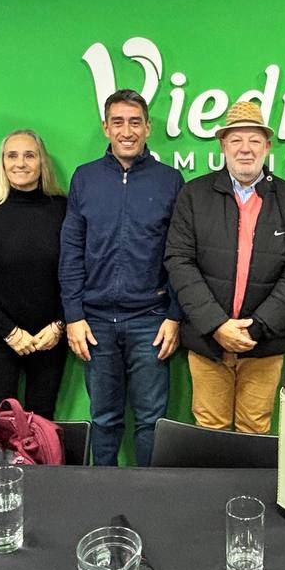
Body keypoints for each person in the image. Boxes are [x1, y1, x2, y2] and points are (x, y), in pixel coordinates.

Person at [166, 101, 285, 434]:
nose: (245, 149)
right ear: (223, 145)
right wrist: (216, 324)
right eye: (236, 140)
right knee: (210, 430)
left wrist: (258, 327)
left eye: (254, 140)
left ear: (267, 146)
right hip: (208, 342)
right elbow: (179, 261)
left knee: (255, 430)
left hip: (264, 344)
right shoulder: (194, 194)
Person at [59, 89, 183, 466]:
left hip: (151, 321)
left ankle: (148, 493)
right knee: (104, 419)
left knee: (151, 421)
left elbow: (180, 255)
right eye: (118, 122)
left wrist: (174, 315)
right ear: (105, 127)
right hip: (95, 321)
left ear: (147, 128)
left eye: (134, 122)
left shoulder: (169, 181)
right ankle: (103, 491)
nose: (126, 131)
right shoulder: (85, 178)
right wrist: (73, 316)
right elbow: (71, 250)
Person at [0, 129, 68, 416]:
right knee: (1, 419)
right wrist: (9, 332)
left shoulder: (63, 210)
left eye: (29, 155)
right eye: (12, 156)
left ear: (42, 161)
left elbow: (75, 273)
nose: (20, 163)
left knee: (42, 420)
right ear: (2, 162)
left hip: (49, 337)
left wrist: (59, 325)